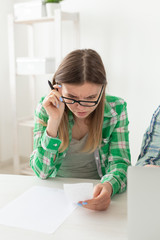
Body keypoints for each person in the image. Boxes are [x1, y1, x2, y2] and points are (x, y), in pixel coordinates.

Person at [30, 49, 131, 211]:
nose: (81, 107)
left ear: (102, 90)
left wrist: (109, 186)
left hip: (96, 190)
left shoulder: (116, 108)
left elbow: (120, 163)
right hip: (56, 192)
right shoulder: (46, 107)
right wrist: (54, 122)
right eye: (72, 97)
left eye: (91, 98)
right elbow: (41, 172)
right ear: (58, 89)